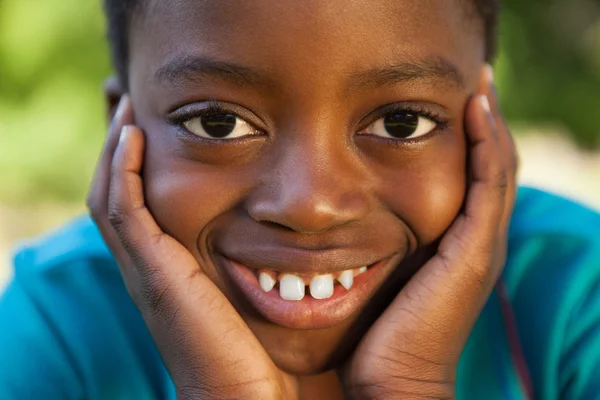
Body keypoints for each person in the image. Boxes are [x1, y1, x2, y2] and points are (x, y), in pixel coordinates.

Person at [1, 0, 599, 398]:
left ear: (483, 123)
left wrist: (408, 386)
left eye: (400, 123)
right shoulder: (60, 325)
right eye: (215, 123)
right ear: (121, 132)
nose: (310, 204)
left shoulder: (575, 299)